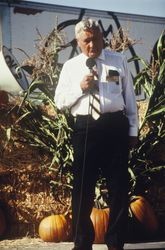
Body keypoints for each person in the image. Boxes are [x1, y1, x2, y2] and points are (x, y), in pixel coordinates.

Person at [54, 18, 138, 250]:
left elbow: (129, 98)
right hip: (85, 129)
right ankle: (82, 243)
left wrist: (133, 131)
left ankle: (115, 243)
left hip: (115, 128)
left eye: (96, 38)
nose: (92, 45)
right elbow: (59, 101)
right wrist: (79, 89)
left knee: (119, 188)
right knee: (82, 189)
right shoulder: (71, 67)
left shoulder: (117, 60)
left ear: (103, 37)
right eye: (86, 40)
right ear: (78, 42)